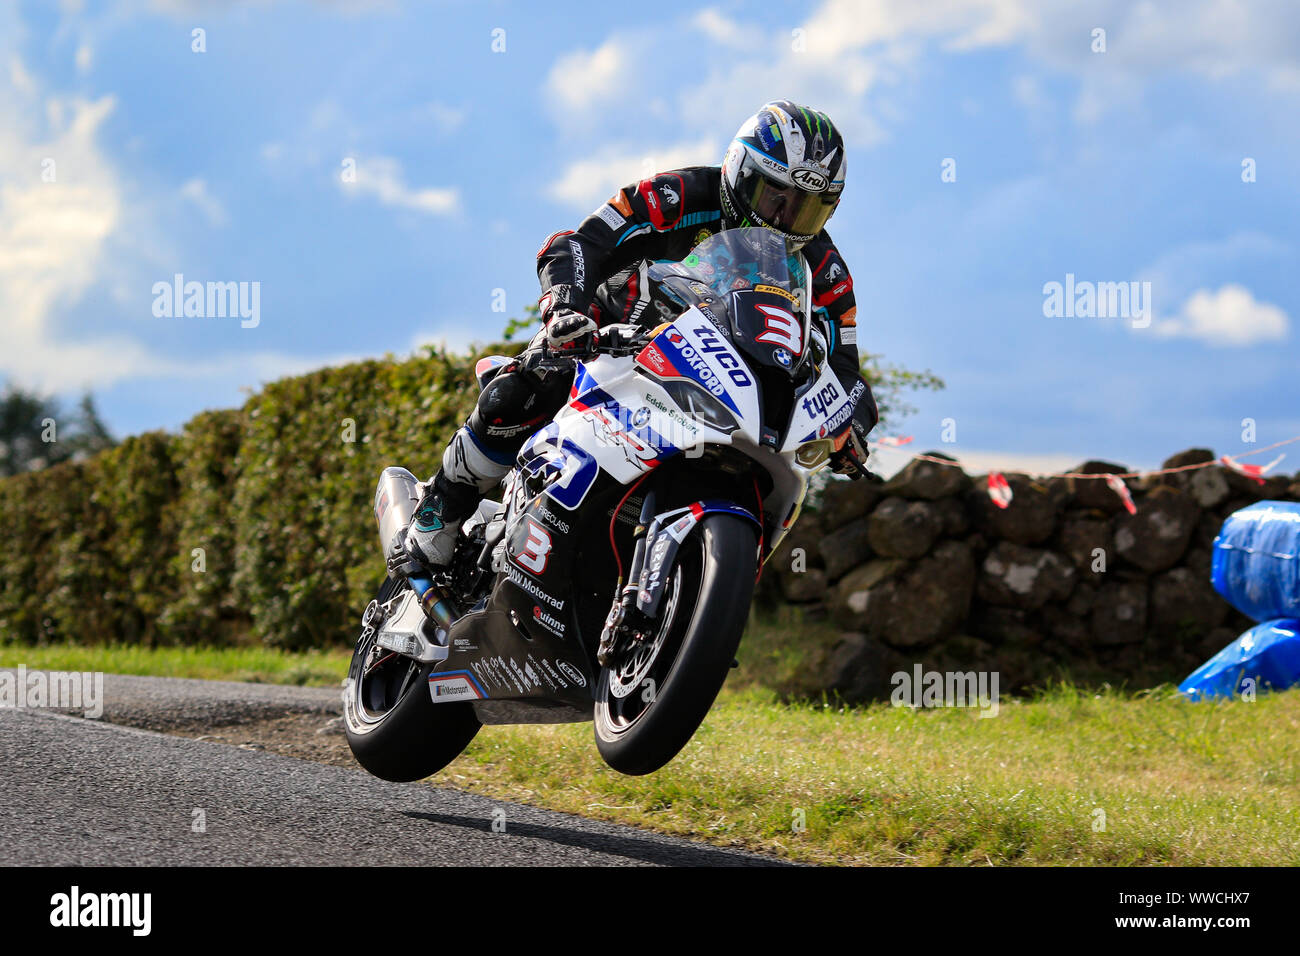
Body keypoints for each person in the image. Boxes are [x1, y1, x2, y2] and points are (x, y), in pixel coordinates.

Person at [394, 100, 878, 576]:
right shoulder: (679, 194)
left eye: (807, 210)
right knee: (534, 377)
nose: (785, 219)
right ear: (739, 172)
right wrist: (565, 310)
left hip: (728, 384)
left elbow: (847, 368)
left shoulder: (825, 269)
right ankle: (440, 509)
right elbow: (580, 243)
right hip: (618, 337)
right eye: (775, 196)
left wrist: (850, 423)